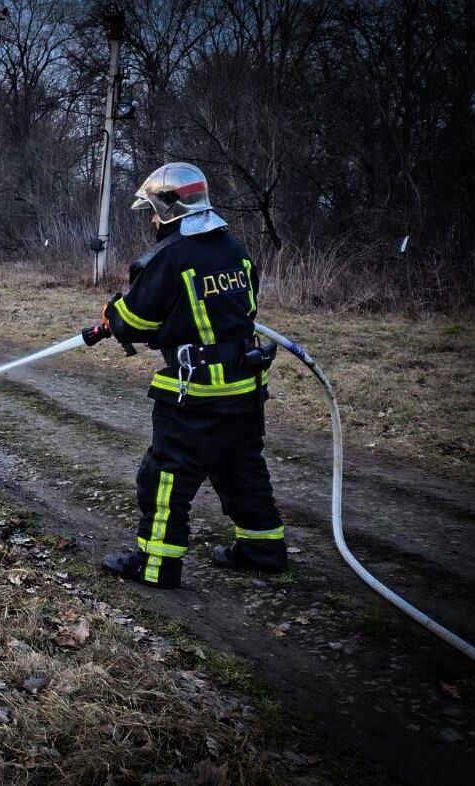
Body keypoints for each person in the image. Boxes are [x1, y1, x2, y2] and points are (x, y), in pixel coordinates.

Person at [99, 162, 286, 589]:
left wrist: (112, 314)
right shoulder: (233, 247)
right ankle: (263, 549)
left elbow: (136, 323)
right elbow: (242, 309)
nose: (150, 218)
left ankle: (155, 566)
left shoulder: (172, 256)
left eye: (151, 208)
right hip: (245, 385)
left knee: (165, 475)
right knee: (241, 467)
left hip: (196, 390)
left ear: (168, 207)